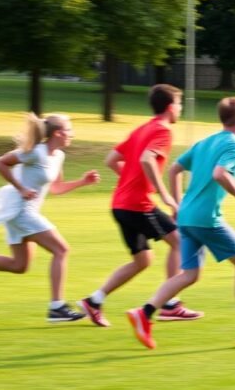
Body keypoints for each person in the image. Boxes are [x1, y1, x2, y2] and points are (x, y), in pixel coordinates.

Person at [126, 97, 235, 348]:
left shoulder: (205, 142)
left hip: (187, 217)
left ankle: (144, 313)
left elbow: (175, 169)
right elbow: (220, 174)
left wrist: (177, 205)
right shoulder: (234, 145)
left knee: (190, 274)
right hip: (206, 218)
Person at [79, 85, 202, 327]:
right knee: (179, 240)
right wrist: (165, 195)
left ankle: (94, 300)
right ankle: (170, 303)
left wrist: (130, 178)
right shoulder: (163, 131)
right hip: (138, 204)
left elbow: (111, 160)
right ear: (170, 107)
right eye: (179, 104)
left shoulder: (142, 129)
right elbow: (147, 159)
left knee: (143, 260)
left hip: (120, 204)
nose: (180, 108)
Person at [0, 113, 100, 321]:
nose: (72, 134)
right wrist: (21, 188)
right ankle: (57, 307)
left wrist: (83, 182)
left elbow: (56, 188)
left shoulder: (58, 156)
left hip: (24, 212)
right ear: (58, 133)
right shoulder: (36, 153)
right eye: (69, 130)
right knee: (62, 250)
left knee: (19, 266)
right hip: (20, 210)